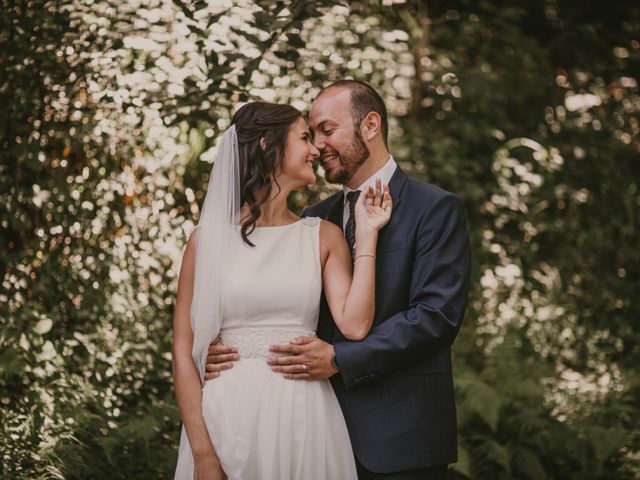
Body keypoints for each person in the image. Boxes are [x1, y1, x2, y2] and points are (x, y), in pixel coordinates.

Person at [206, 81, 471, 479]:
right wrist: (225, 348)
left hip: (401, 437)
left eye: (328, 130)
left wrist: (337, 359)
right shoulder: (314, 219)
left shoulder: (434, 209)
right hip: (312, 430)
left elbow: (436, 318)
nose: (318, 146)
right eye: (311, 134)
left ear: (370, 125)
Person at [172, 101, 393, 480]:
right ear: (266, 146)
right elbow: (182, 350)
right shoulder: (205, 242)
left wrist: (368, 235)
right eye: (305, 138)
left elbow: (355, 326)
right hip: (228, 415)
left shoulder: (323, 237)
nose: (315, 150)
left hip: (303, 416)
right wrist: (204, 453)